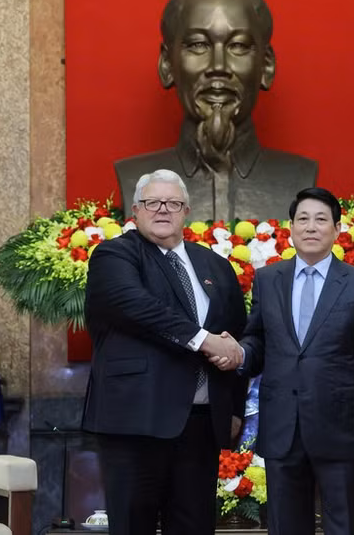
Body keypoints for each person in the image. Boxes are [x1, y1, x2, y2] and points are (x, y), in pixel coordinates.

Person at [213, 187, 354, 535]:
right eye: (303, 219)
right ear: (291, 228)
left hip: (341, 427)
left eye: (321, 219)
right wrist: (240, 353)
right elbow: (259, 340)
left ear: (337, 230)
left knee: (345, 524)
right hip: (283, 426)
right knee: (286, 526)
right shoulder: (268, 280)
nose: (311, 227)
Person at [82, 168, 247, 535]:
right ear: (136, 211)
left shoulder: (215, 266)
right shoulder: (114, 255)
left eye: (172, 203)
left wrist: (234, 408)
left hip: (201, 424)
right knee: (132, 526)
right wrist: (205, 340)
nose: (162, 210)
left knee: (195, 526)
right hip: (135, 420)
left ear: (187, 211)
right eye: (152, 202)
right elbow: (137, 306)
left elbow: (236, 333)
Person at [114, 0, 317, 222]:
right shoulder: (133, 177)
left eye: (238, 46)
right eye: (198, 45)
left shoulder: (299, 177)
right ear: (167, 65)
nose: (218, 66)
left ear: (266, 66)